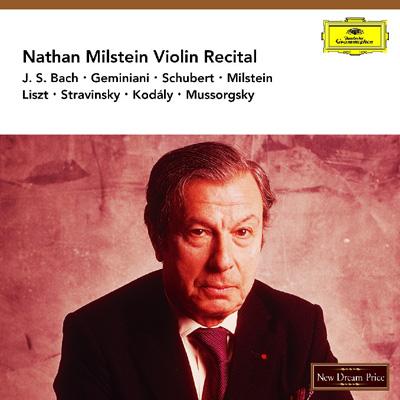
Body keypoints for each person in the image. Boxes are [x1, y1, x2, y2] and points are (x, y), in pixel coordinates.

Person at [54, 141, 352, 400]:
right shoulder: (95, 336)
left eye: (243, 232)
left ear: (262, 236)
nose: (222, 261)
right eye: (199, 232)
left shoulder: (303, 325)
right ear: (158, 237)